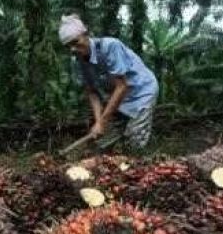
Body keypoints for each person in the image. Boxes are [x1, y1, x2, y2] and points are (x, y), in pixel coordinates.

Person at [59, 14, 159, 151]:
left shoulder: (110, 46)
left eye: (75, 42)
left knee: (134, 143)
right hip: (118, 98)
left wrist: (103, 121)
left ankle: (137, 158)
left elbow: (122, 86)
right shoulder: (78, 62)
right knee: (101, 142)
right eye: (68, 46)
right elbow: (92, 93)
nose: (73, 49)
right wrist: (99, 121)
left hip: (141, 92)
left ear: (86, 34)